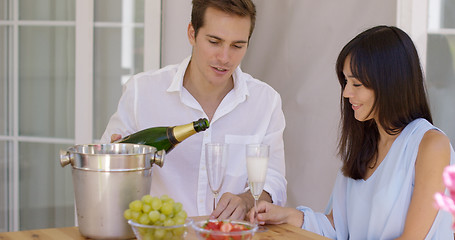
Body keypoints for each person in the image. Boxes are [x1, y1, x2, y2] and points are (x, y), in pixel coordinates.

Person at [247, 25, 455, 239]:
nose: (346, 93)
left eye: (357, 83)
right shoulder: (365, 144)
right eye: (345, 81)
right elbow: (337, 228)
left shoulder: (431, 146)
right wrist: (287, 216)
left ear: (390, 83)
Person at [101, 0, 286, 220]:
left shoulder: (266, 101)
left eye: (237, 46)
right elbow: (105, 168)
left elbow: (274, 180)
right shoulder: (141, 92)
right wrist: (115, 159)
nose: (225, 58)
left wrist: (246, 201)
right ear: (192, 33)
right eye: (215, 42)